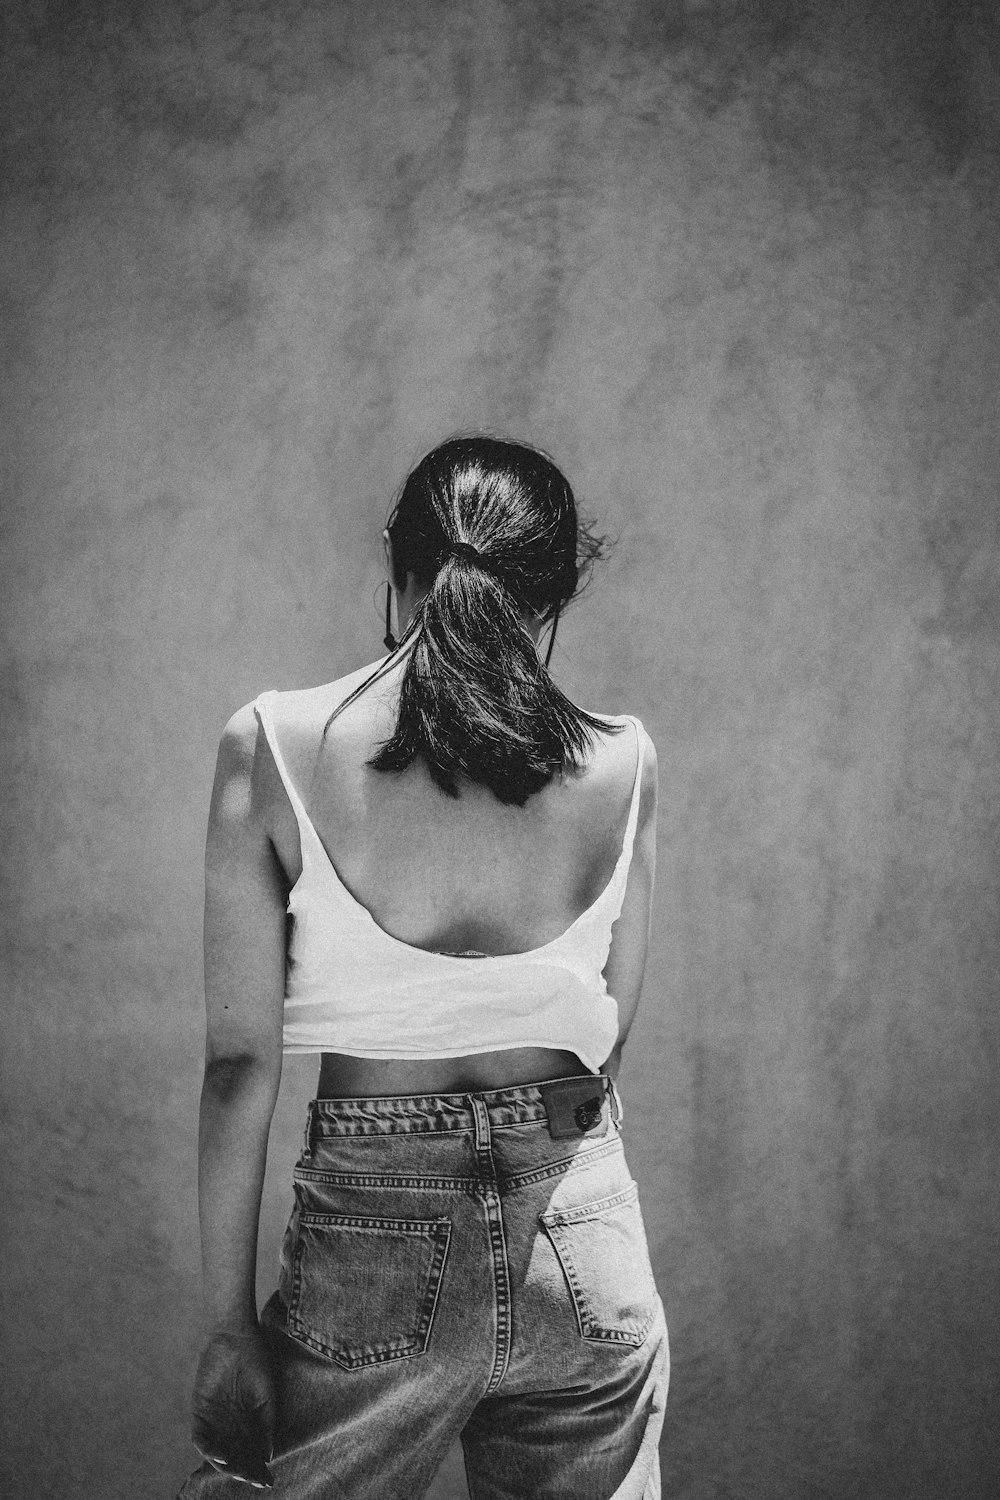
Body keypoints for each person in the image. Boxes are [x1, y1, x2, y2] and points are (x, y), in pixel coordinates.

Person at [180, 436, 668, 1500]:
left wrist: (226, 1325)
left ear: (397, 577)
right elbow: (608, 1026)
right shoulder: (620, 760)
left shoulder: (272, 743)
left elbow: (237, 1067)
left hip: (376, 1242)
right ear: (548, 605)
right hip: (581, 1234)